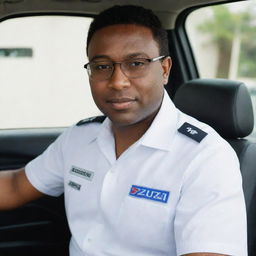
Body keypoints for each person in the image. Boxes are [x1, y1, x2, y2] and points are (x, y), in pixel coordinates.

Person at [0, 5, 247, 256]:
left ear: (164, 69)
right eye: (102, 66)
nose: (118, 82)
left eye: (136, 63)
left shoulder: (205, 157)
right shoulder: (80, 137)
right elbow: (16, 187)